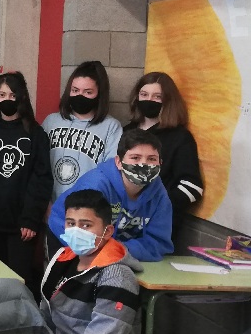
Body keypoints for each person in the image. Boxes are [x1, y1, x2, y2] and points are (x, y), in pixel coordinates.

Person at [0, 72, 53, 291]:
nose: (7, 99)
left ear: (21, 97)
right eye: (2, 94)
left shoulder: (35, 133)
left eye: (12, 95)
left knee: (19, 281)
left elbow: (41, 178)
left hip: (22, 226)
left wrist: (31, 219)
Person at [48, 128, 173, 262]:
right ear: (118, 162)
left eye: (151, 159)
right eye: (135, 158)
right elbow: (83, 237)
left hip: (118, 253)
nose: (143, 164)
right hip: (69, 240)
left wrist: (119, 249)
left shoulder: (158, 192)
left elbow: (158, 243)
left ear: (160, 164)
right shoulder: (96, 185)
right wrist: (114, 250)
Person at [40, 189, 141, 334]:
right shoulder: (63, 258)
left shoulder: (117, 277)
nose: (76, 231)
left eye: (86, 225)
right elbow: (46, 313)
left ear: (107, 231)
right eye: (71, 223)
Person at [123, 71, 203, 244]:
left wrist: (158, 206)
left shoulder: (180, 137)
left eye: (157, 96)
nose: (149, 100)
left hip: (158, 228)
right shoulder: (126, 131)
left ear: (168, 101)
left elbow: (192, 187)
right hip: (122, 222)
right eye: (144, 94)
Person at [42, 60, 123, 200]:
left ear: (99, 94)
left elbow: (110, 174)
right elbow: (38, 167)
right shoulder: (51, 121)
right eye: (75, 90)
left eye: (88, 92)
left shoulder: (111, 127)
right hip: (50, 204)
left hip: (88, 206)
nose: (80, 96)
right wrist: (44, 203)